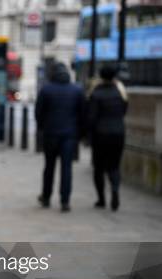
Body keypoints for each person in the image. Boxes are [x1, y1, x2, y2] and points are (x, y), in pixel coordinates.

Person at [35, 62, 86, 212]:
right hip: (69, 135)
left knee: (49, 167)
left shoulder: (46, 90)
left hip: (51, 134)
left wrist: (43, 128)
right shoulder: (77, 90)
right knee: (67, 168)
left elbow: (39, 113)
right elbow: (82, 114)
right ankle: (65, 201)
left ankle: (46, 197)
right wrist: (79, 133)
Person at [88, 64, 128, 211]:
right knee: (114, 166)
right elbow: (124, 111)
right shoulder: (120, 93)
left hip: (100, 135)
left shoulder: (96, 93)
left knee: (98, 167)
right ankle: (115, 190)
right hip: (118, 133)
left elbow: (91, 117)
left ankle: (101, 199)